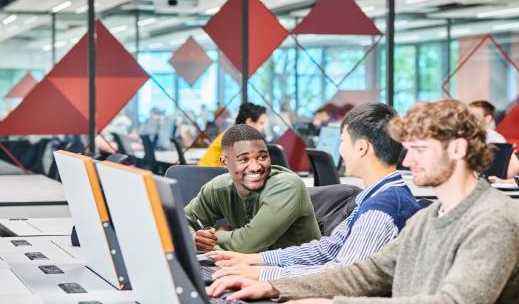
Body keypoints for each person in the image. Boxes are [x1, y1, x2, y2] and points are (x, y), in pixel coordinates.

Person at [208, 99, 519, 303]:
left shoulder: (493, 221)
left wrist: (335, 303)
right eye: (407, 148)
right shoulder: (431, 217)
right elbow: (366, 272)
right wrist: (276, 287)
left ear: (458, 149)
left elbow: (453, 302)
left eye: (419, 149)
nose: (407, 160)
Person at [207, 103, 421, 281]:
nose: (340, 150)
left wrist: (263, 275)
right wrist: (256, 259)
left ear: (362, 148)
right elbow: (328, 249)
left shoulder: (381, 210)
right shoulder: (374, 198)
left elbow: (341, 274)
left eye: (343, 141)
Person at [185, 124, 321, 253]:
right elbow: (183, 221)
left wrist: (214, 237)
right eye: (244, 159)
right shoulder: (218, 188)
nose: (255, 166)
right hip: (249, 268)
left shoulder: (287, 187)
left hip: (298, 271)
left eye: (262, 157)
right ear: (225, 162)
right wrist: (192, 238)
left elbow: (247, 244)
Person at [198, 102, 266, 167]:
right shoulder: (236, 135)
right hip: (209, 173)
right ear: (249, 121)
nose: (263, 127)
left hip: (213, 172)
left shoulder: (236, 132)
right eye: (261, 123)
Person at [469, 100, 519, 182]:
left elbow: (512, 168)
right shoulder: (462, 137)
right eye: (467, 116)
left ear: (488, 118)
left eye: (475, 117)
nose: (470, 120)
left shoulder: (495, 140)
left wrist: (503, 181)